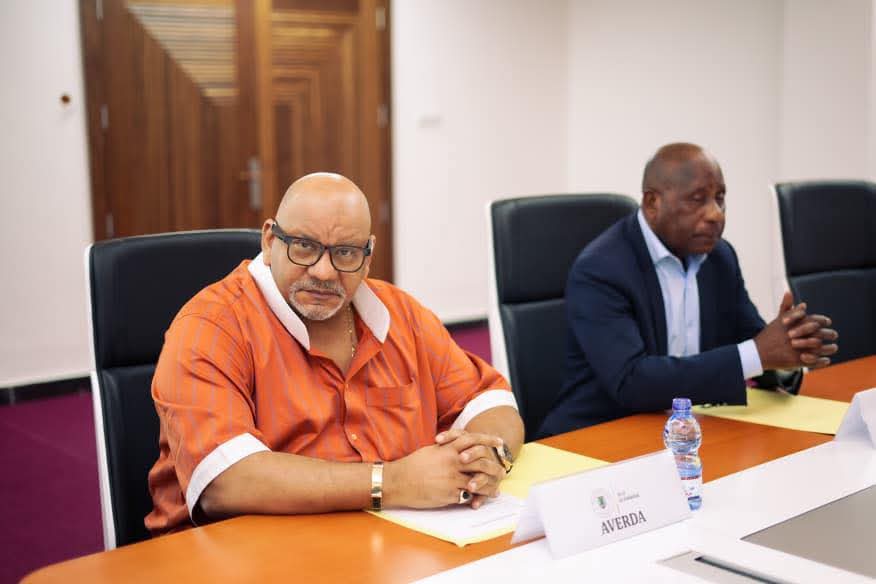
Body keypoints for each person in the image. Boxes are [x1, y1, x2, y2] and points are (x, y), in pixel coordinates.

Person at [146, 173, 524, 535]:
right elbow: (225, 483)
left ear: (368, 255)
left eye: (345, 253)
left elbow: (491, 402)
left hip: (386, 543)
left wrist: (489, 458)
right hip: (235, 553)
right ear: (269, 241)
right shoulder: (210, 326)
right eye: (304, 246)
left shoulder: (401, 314)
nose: (324, 272)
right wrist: (392, 482)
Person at [538, 143, 838, 437]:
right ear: (652, 203)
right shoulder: (601, 268)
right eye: (697, 199)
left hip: (686, 431)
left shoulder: (720, 258)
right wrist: (758, 354)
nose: (716, 214)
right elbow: (631, 382)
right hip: (597, 436)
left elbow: (754, 342)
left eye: (720, 198)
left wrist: (788, 353)